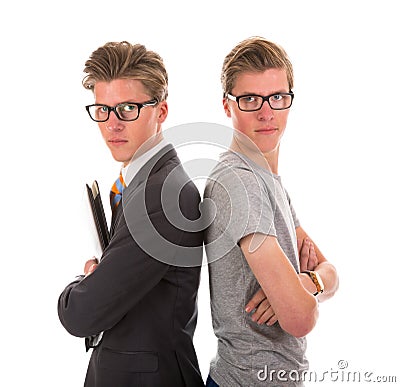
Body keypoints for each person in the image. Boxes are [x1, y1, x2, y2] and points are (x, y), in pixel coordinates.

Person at [58, 41, 204, 387]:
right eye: (102, 110)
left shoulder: (162, 195)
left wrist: (81, 284)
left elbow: (80, 314)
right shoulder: (141, 182)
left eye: (127, 108)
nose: (112, 124)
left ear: (162, 111)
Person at [203, 36, 339, 386]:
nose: (267, 113)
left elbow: (330, 273)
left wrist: (308, 280)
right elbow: (299, 318)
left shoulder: (269, 181)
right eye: (250, 99)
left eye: (277, 98)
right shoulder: (240, 184)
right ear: (226, 105)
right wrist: (305, 291)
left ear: (290, 101)